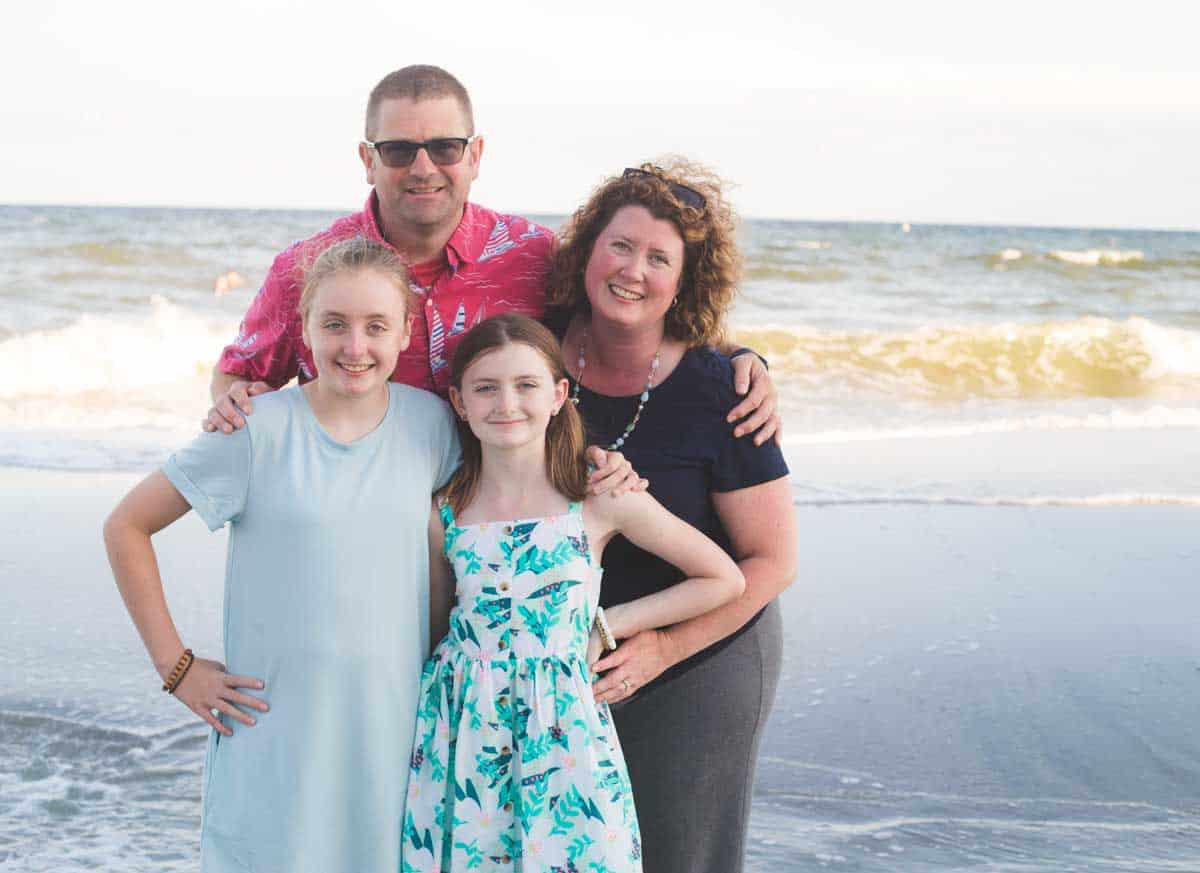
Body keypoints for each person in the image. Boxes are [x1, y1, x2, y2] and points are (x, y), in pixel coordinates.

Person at [104, 238, 461, 873]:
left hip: (391, 731)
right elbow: (127, 526)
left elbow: (498, 513)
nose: (355, 347)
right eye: (334, 325)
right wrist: (177, 668)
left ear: (408, 331)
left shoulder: (432, 426)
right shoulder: (254, 431)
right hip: (274, 734)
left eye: (376, 326)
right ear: (302, 329)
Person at [204, 64, 780, 456]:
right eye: (400, 150)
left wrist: (735, 356)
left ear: (475, 155)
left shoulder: (534, 257)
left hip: (496, 521)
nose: (423, 168)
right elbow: (241, 375)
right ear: (367, 159)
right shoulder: (307, 270)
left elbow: (628, 313)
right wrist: (232, 400)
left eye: (445, 148)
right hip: (360, 514)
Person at [401, 314, 745, 872]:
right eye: (485, 388)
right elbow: (439, 625)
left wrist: (606, 624)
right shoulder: (446, 512)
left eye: (526, 385)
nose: (506, 403)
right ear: (459, 402)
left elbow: (723, 578)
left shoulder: (598, 498)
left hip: (564, 732)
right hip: (464, 730)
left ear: (559, 395)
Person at [544, 160, 799, 873]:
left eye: (659, 258)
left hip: (704, 648)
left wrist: (662, 646)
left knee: (677, 855)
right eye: (620, 246)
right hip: (570, 649)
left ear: (684, 283)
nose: (633, 270)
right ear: (587, 250)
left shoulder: (723, 390)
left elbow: (774, 561)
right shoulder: (534, 354)